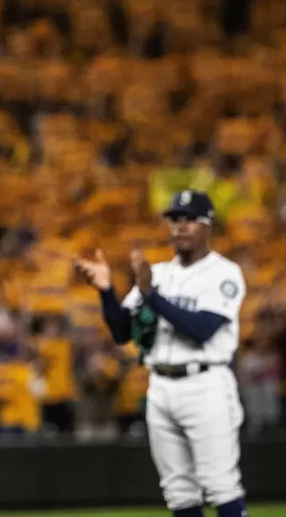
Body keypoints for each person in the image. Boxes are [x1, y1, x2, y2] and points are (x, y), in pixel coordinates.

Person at [74, 190, 248, 517]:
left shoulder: (224, 273)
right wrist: (107, 291)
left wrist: (150, 294)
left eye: (189, 219)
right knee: (178, 491)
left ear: (209, 226)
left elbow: (201, 329)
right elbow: (122, 330)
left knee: (220, 484)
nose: (180, 226)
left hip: (206, 384)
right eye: (174, 219)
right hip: (160, 387)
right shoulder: (161, 273)